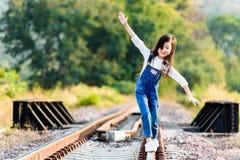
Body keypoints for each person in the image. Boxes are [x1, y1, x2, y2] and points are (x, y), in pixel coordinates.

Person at [118, 11, 199, 153]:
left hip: (152, 92)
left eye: (167, 48)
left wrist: (189, 95)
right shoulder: (148, 55)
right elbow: (136, 40)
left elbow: (181, 80)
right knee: (145, 114)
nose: (163, 50)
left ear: (171, 50)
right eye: (162, 46)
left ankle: (154, 138)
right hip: (142, 89)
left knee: (154, 116)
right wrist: (125, 25)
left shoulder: (166, 67)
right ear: (158, 46)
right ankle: (148, 140)